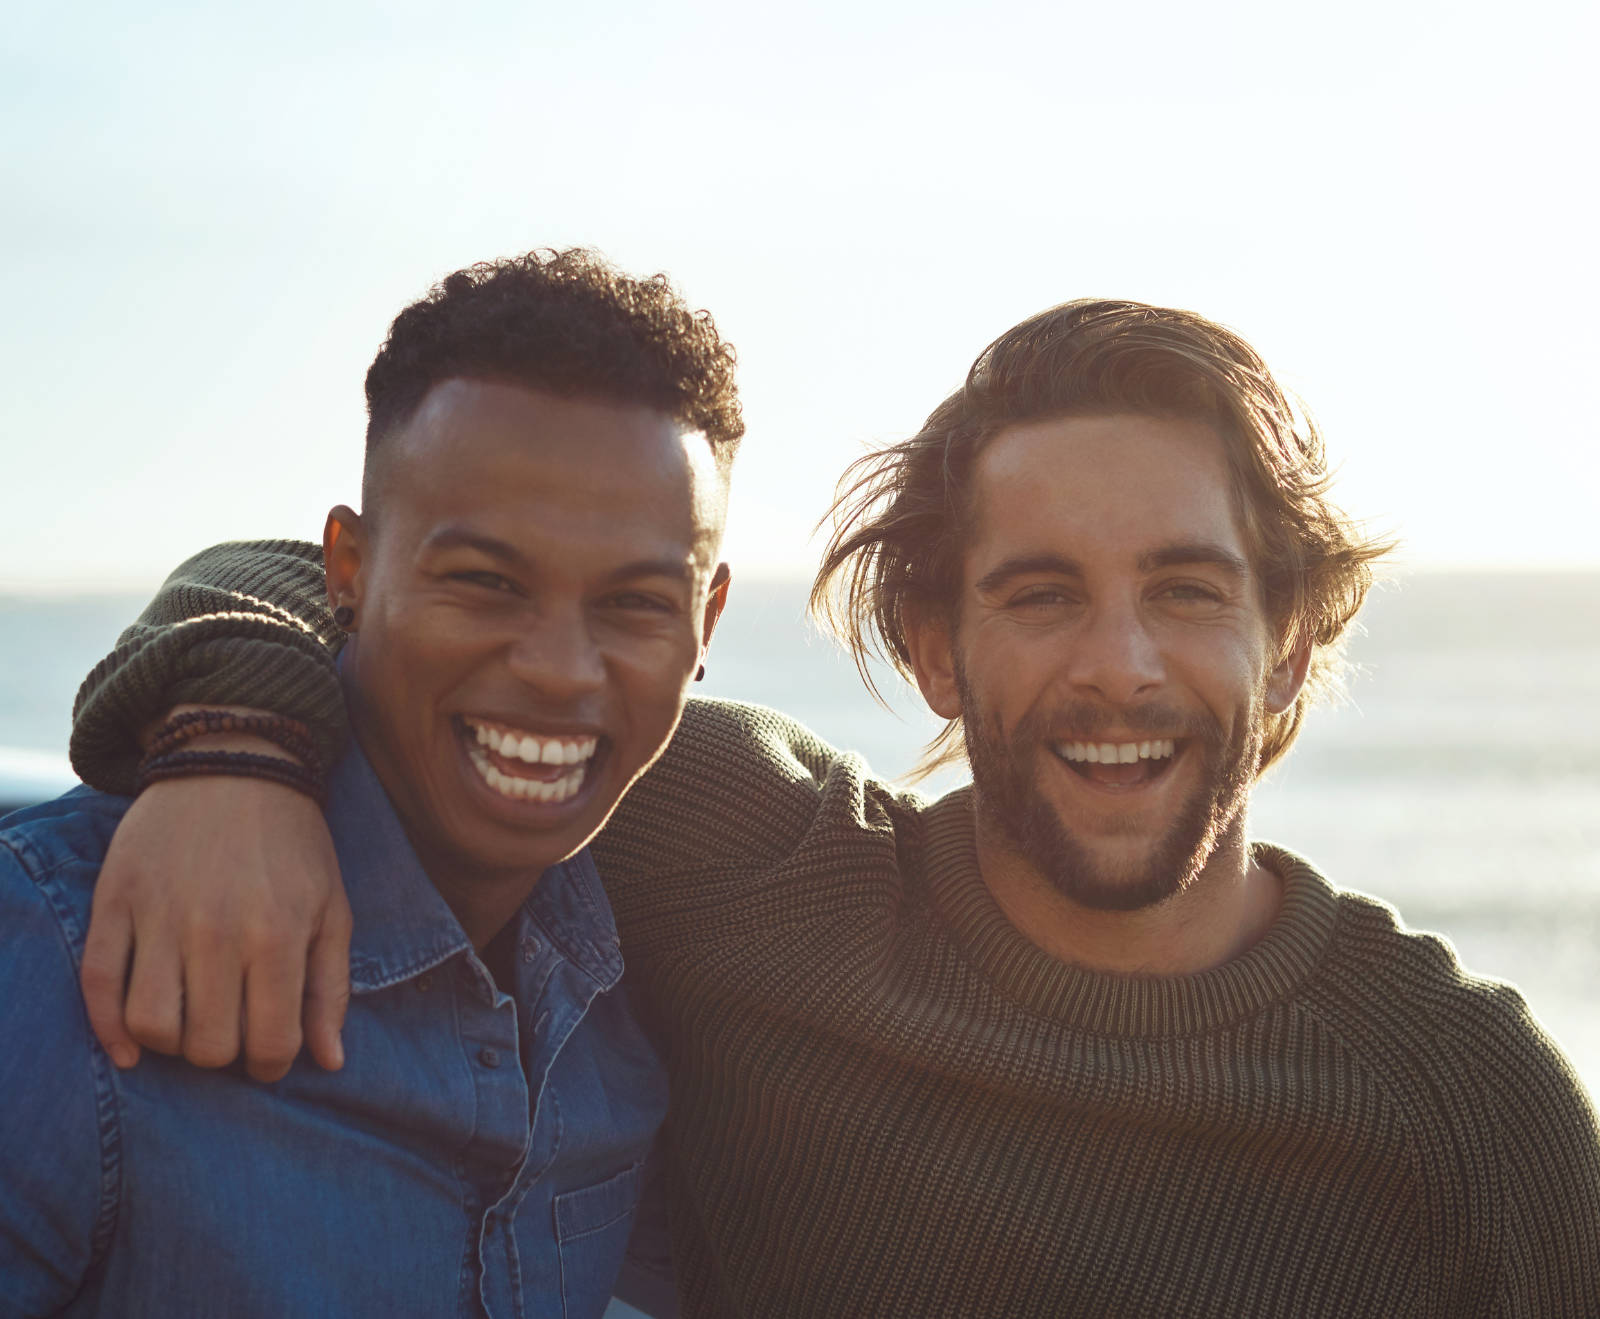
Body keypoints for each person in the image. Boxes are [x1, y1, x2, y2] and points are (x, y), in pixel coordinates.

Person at [60, 300, 1600, 1315]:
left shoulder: (1468, 1107)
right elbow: (381, 601)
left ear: (1291, 643)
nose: (1116, 667)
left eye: (1186, 592)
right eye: (1040, 592)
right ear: (936, 645)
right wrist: (234, 750)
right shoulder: (745, 855)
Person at [0, 247, 744, 1316]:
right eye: (485, 581)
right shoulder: (66, 952)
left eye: (634, 604)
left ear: (707, 620)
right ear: (346, 569)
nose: (559, 668)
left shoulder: (653, 952)